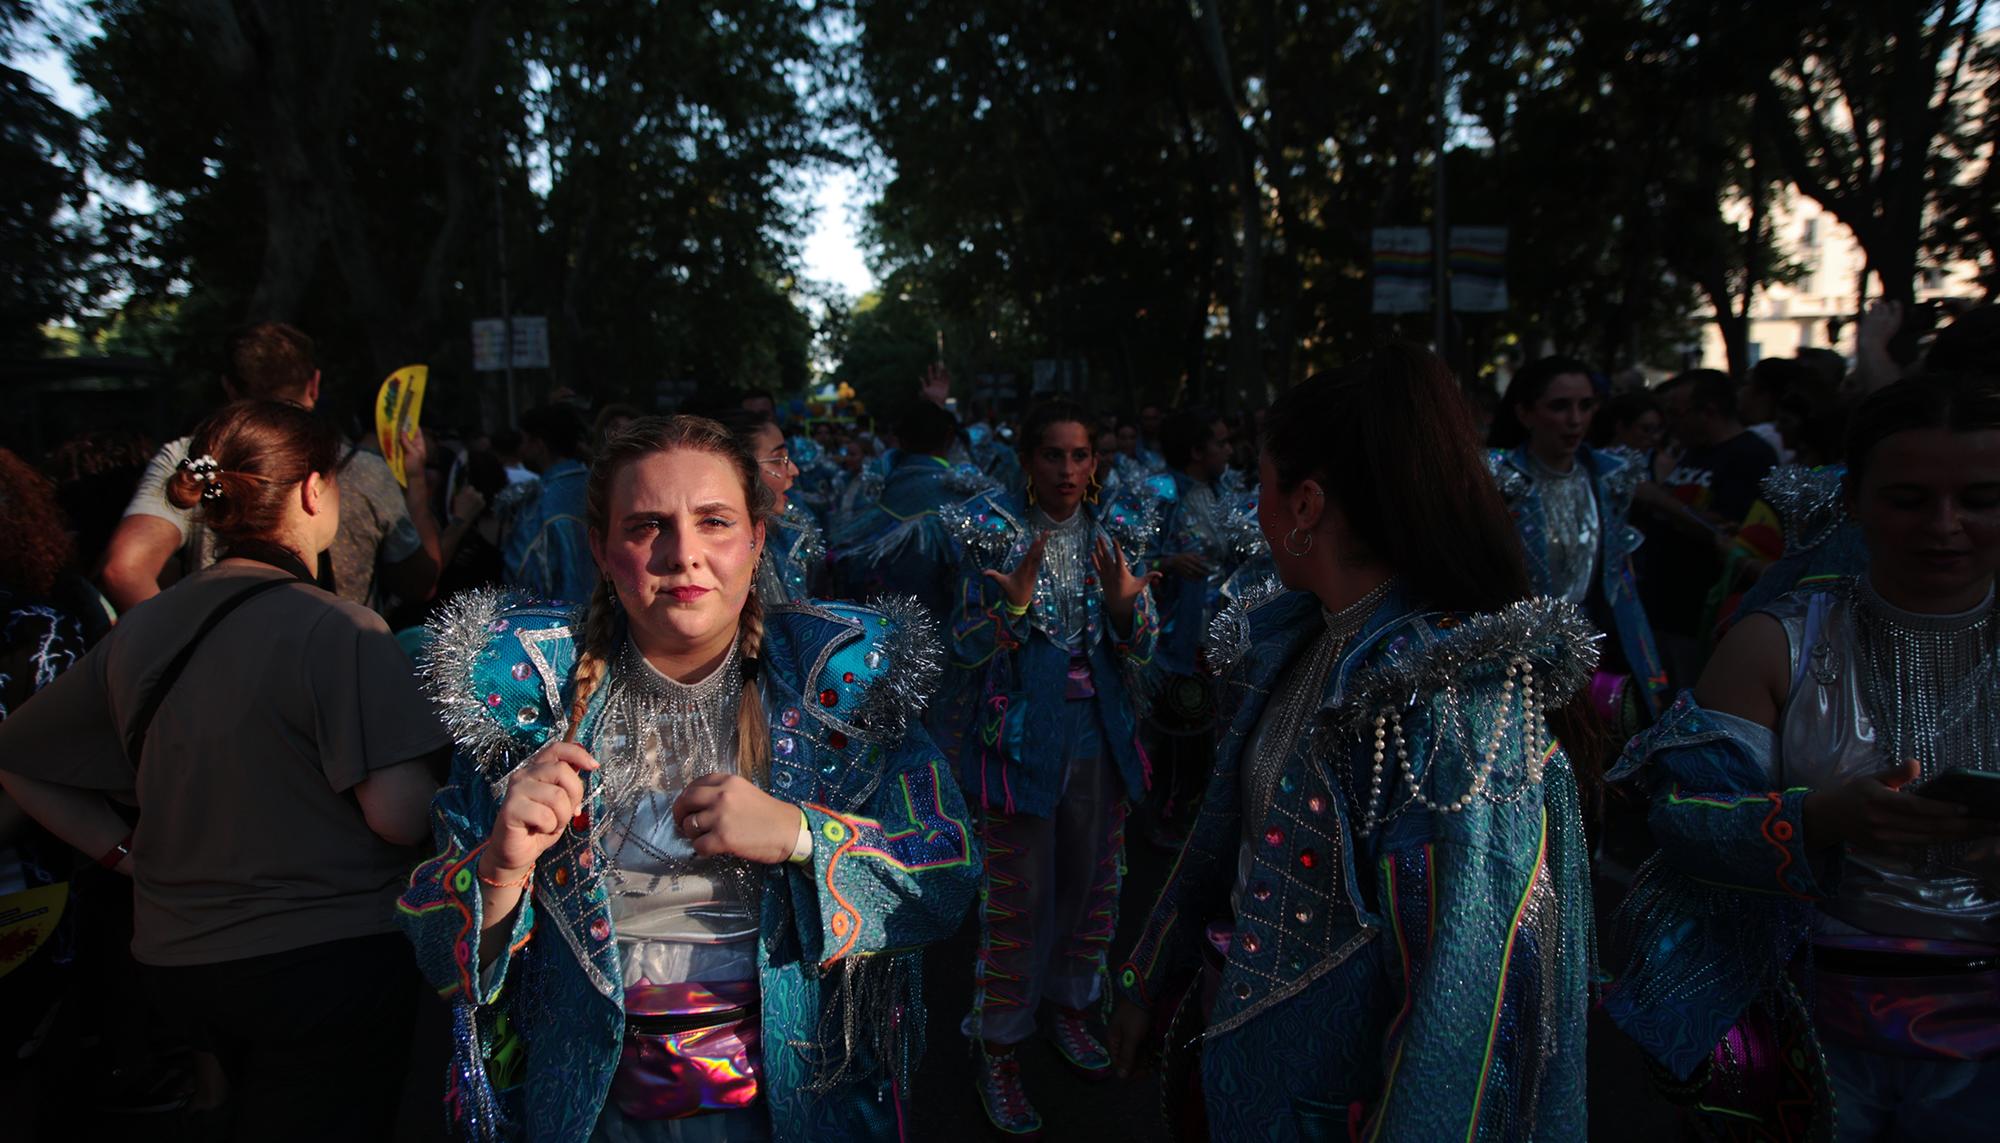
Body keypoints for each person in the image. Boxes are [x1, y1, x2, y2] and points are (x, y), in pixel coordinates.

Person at [397, 415, 977, 1141]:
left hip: (802, 1107)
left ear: (757, 537)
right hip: (591, 1114)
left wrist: (802, 835)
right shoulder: (524, 701)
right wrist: (500, 873)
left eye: (714, 521)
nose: (684, 554)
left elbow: (947, 873)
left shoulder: (842, 687)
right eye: (646, 526)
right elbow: (432, 949)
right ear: (600, 550)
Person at [1107, 345, 1598, 1142]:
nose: (1249, 509)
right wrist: (1148, 977)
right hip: (1249, 1070)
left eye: (1259, 484)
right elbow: (1226, 837)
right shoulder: (1306, 637)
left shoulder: (1451, 699)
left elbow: (1461, 1003)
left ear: (1305, 504)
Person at [0, 400, 448, 1142]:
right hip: (323, 965)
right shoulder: (339, 626)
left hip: (177, 963)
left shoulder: (142, 627)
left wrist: (123, 855)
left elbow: (19, 757)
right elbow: (397, 814)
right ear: (313, 490)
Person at [1601, 373, 2000, 1140]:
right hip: (1811, 1031)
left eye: (1980, 498)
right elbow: (1682, 817)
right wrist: (1814, 820)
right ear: (1853, 501)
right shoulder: (1778, 642)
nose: (1945, 526)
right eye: (1909, 498)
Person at [939, 399, 1161, 1136]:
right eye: (1053, 455)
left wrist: (1129, 611)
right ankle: (998, 1047)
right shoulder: (994, 538)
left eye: (1081, 455)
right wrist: (1013, 608)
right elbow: (962, 645)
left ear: (1095, 462)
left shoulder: (1115, 536)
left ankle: (1072, 1009)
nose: (1068, 469)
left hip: (1099, 737)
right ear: (1029, 461)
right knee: (1018, 901)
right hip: (1019, 747)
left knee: (1092, 888)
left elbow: (1144, 647)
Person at [100, 322, 442, 614]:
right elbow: (420, 584)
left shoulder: (193, 456)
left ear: (230, 388)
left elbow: (125, 568)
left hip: (224, 669)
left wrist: (184, 655)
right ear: (314, 385)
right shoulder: (365, 470)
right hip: (333, 674)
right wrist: (416, 484)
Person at [1488, 356, 1668, 723]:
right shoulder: (1499, 481)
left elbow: (1620, 582)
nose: (1575, 420)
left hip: (1594, 658)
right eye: (1560, 406)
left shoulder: (1606, 477)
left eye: (1585, 406)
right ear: (1525, 413)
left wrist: (1648, 670)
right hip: (1517, 663)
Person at [1640, 369, 1779, 681]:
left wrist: (1659, 499)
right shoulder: (1692, 451)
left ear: (1709, 412)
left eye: (1675, 413)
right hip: (1665, 608)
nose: (1669, 424)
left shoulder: (1750, 455)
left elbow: (1731, 534)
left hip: (1699, 615)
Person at [1147, 408, 1242, 844]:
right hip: (1172, 643)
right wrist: (1164, 562)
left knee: (1207, 739)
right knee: (1173, 738)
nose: (1228, 449)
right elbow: (1117, 557)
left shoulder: (1225, 494)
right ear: (1196, 451)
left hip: (1217, 636)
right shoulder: (1159, 495)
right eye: (1219, 442)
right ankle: (1162, 819)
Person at [830, 401, 984, 624]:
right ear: (950, 437)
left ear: (900, 440)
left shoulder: (875, 491)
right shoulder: (966, 498)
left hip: (875, 635)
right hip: (945, 635)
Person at [720, 411, 823, 604]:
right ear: (740, 469)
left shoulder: (784, 536)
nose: (793, 471)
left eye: (787, 458)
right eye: (778, 460)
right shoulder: (724, 557)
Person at [504, 402, 596, 605]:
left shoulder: (538, 503)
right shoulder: (603, 488)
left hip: (553, 623)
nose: (522, 449)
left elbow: (519, 574)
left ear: (539, 445)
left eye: (525, 441)